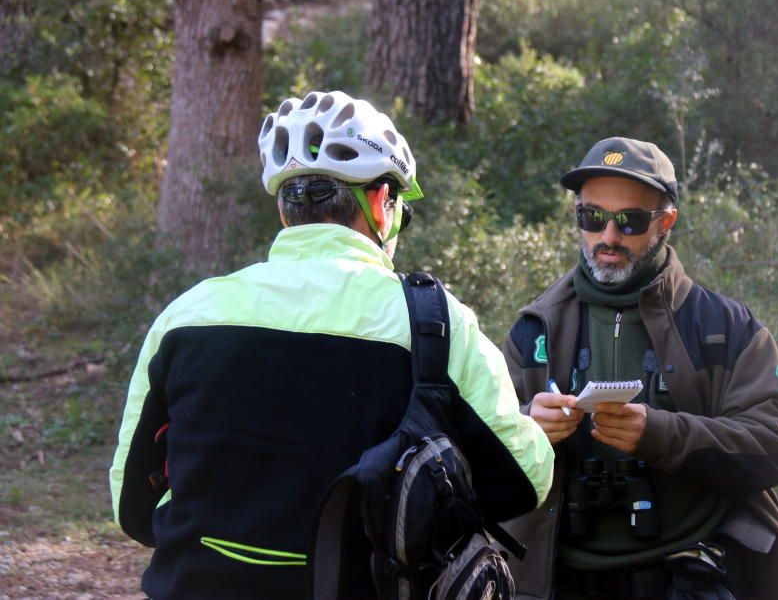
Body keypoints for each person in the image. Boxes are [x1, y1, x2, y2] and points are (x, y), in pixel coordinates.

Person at [109, 90, 554, 600]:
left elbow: (132, 505)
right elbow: (524, 481)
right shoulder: (434, 322)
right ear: (384, 206)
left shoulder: (187, 315)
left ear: (284, 210)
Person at [500, 137, 778, 600]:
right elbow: (477, 450)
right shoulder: (533, 330)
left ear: (666, 222)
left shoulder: (722, 327)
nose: (608, 236)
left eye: (629, 221)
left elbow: (777, 442)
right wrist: (527, 426)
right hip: (560, 578)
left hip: (691, 571)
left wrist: (662, 434)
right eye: (592, 218)